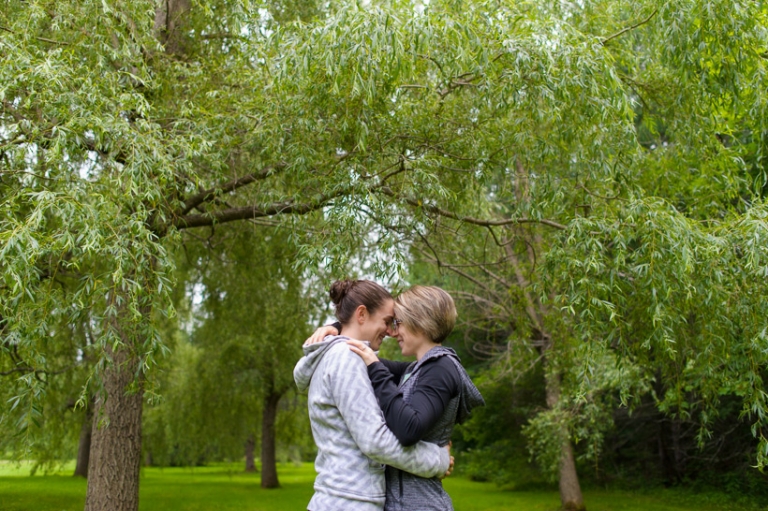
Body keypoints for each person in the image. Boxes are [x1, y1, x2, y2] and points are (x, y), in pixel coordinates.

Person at [308, 285, 485, 511]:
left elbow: (409, 428)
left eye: (398, 322)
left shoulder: (441, 368)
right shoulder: (416, 369)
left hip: (421, 504)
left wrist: (375, 368)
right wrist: (337, 328)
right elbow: (363, 359)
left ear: (419, 322)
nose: (393, 332)